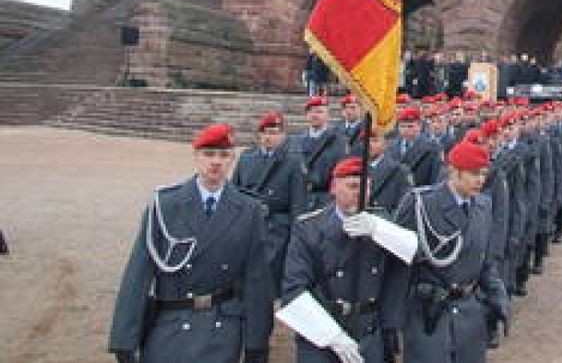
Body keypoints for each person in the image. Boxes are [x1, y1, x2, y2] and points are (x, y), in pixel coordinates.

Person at [108, 124, 272, 363]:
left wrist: (257, 344)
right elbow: (138, 274)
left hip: (221, 324)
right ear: (195, 156)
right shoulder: (165, 205)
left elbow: (257, 280)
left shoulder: (249, 210)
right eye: (208, 154)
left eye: (224, 155)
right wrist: (124, 339)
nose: (216, 162)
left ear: (232, 159)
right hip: (170, 321)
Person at [277, 156, 416, 363]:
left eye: (366, 188)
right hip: (322, 332)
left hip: (367, 330)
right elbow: (294, 290)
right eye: (352, 186)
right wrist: (333, 337)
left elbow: (413, 250)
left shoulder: (381, 223)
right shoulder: (309, 228)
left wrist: (378, 229)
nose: (360, 194)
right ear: (333, 187)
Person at [392, 138, 510, 362]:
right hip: (428, 315)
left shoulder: (483, 206)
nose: (481, 180)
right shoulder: (421, 204)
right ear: (454, 172)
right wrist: (393, 319)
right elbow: (399, 262)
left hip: (469, 313)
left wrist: (498, 298)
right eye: (474, 174)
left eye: (483, 174)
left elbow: (483, 262)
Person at [230, 111, 307, 292]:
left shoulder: (292, 162)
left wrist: (296, 238)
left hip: (277, 228)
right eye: (264, 133)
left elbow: (298, 203)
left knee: (270, 281)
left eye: (273, 133)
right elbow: (234, 193)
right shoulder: (247, 158)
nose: (268, 137)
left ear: (283, 135)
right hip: (249, 225)